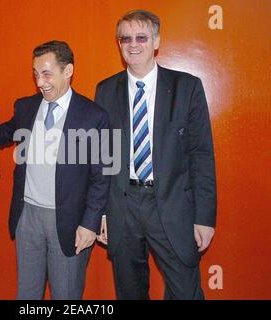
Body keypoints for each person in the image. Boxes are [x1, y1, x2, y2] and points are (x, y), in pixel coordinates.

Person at [0, 40, 110, 299]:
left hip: (69, 220)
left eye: (47, 74)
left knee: (66, 294)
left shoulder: (93, 116)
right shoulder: (27, 106)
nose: (40, 82)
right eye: (36, 74)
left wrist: (90, 223)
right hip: (27, 216)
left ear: (68, 71)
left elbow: (102, 176)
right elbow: (2, 133)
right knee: (27, 294)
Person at [95, 10, 217, 299]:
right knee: (129, 292)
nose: (133, 44)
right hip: (122, 206)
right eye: (125, 38)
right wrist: (99, 212)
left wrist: (204, 217)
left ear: (157, 41)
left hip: (173, 206)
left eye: (141, 37)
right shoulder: (105, 90)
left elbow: (201, 156)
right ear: (119, 43)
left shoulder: (187, 87)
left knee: (186, 292)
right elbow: (100, 156)